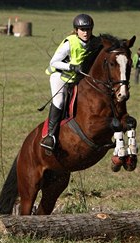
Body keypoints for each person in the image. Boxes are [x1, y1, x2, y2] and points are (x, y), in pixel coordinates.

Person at [41, 14, 100, 151]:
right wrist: (71, 66)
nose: (85, 32)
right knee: (60, 101)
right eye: (82, 29)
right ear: (76, 30)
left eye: (88, 29)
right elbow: (54, 62)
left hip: (77, 79)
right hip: (60, 76)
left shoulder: (94, 42)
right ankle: (50, 136)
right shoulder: (70, 43)